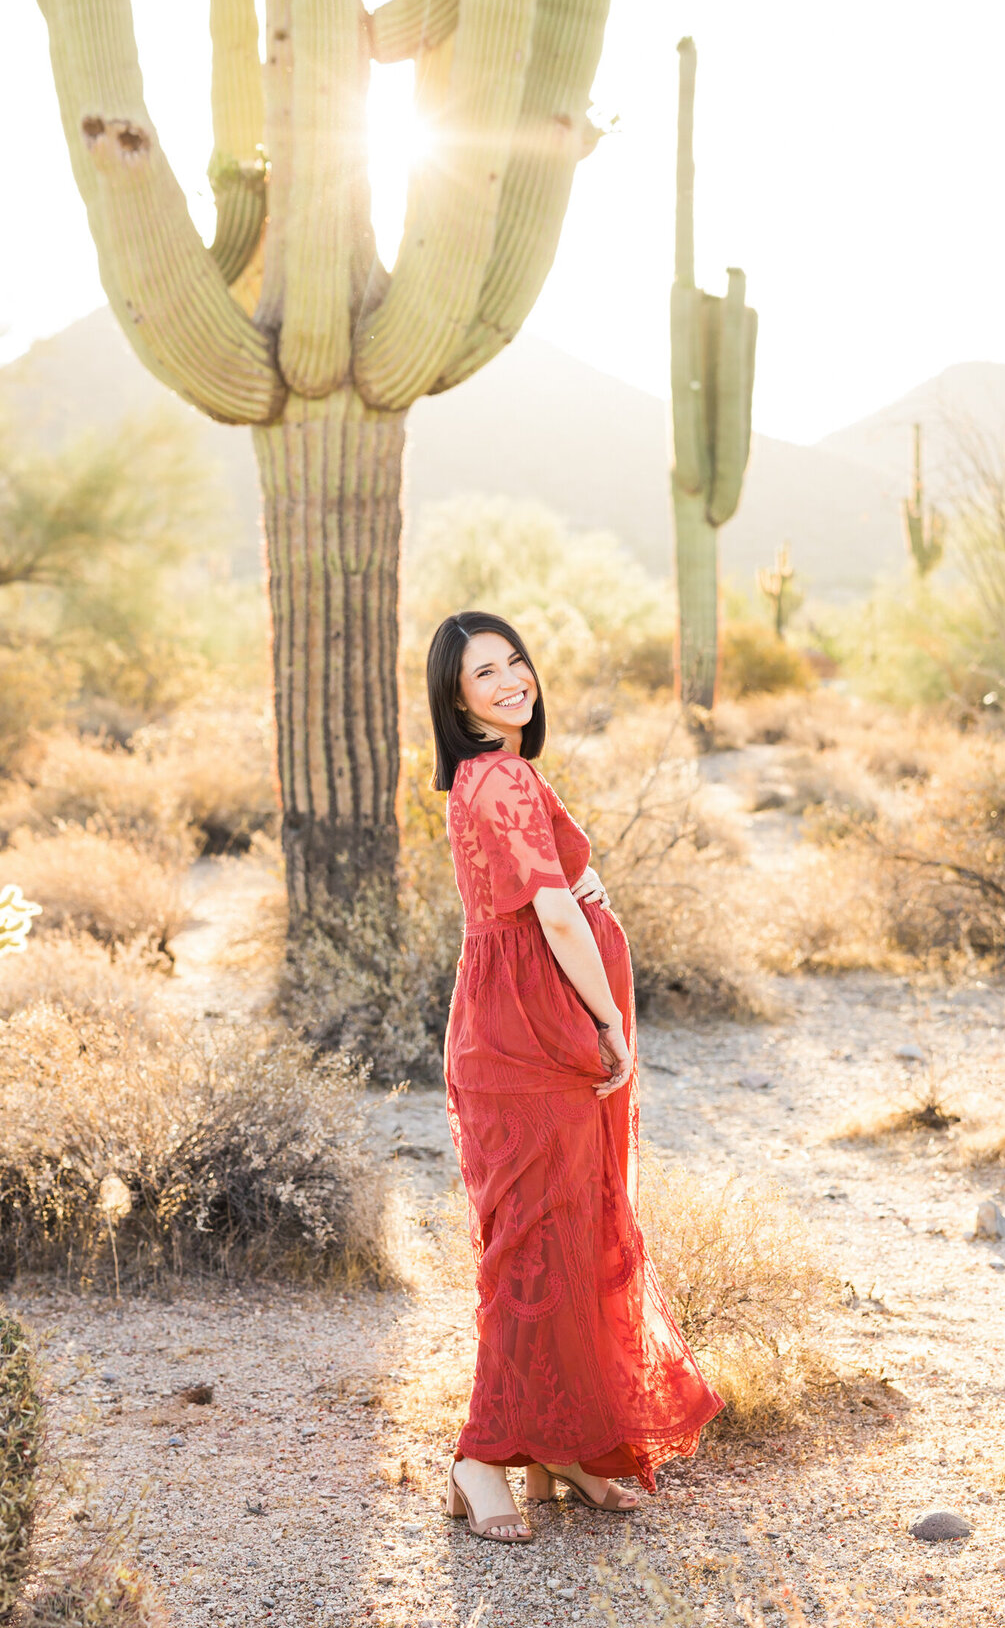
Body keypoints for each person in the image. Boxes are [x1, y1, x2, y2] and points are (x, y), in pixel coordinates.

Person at [426, 610, 722, 1546]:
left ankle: (560, 1447)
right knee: (534, 1245)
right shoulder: (501, 775)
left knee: (559, 1234)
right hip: (535, 1033)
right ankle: (481, 1458)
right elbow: (552, 914)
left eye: (517, 662)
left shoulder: (484, 773)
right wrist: (604, 1021)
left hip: (510, 1023)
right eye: (486, 671)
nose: (513, 679)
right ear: (456, 695)